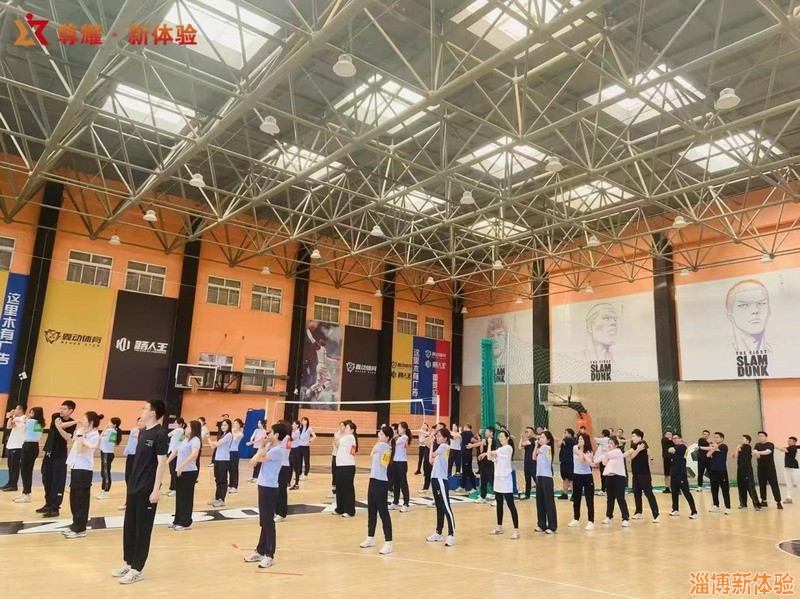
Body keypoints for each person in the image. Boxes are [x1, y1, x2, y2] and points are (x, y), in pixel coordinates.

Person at [111, 399, 169, 585]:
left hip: (147, 489)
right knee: (130, 527)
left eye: (145, 408)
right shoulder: (143, 432)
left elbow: (162, 462)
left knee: (142, 529)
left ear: (153, 412)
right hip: (134, 487)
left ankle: (137, 569)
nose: (142, 411)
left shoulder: (160, 434)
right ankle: (129, 563)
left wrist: (156, 489)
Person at [244, 421, 289, 569]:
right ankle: (260, 550)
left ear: (276, 435)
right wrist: (263, 446)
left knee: (268, 522)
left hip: (270, 488)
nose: (268, 434)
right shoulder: (271, 446)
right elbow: (258, 457)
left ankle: (270, 555)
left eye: (271, 432)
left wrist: (260, 449)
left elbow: (258, 458)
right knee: (264, 521)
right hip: (263, 485)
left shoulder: (278, 450)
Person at [64, 411, 101, 538]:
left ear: (91, 422)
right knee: (74, 498)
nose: (82, 421)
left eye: (84, 419)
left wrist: (81, 437)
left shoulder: (94, 435)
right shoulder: (83, 431)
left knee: (81, 500)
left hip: (84, 469)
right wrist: (80, 435)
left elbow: (80, 449)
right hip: (76, 467)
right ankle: (75, 524)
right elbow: (75, 441)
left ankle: (80, 528)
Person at [38, 400, 77, 518]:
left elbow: (66, 437)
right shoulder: (55, 416)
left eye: (64, 409)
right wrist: (76, 421)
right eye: (61, 408)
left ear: (70, 410)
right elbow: (60, 425)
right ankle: (48, 503)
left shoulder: (72, 424)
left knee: (58, 480)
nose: (61, 410)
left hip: (60, 453)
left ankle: (55, 507)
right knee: (46, 477)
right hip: (49, 451)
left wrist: (72, 423)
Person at [360, 425, 394, 555]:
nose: (378, 435)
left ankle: (388, 542)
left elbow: (373, 453)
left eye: (381, 434)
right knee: (372, 511)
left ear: (387, 437)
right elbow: (371, 454)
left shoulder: (383, 446)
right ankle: (370, 538)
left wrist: (379, 444)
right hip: (373, 480)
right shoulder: (383, 446)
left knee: (383, 512)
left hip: (380, 482)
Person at [484, 429, 519, 539]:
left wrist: (489, 447)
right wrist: (489, 445)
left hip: (506, 479)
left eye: (502, 436)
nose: (500, 438)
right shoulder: (500, 450)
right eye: (499, 437)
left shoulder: (508, 448)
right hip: (498, 479)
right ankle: (499, 527)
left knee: (510, 504)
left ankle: (516, 530)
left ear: (507, 438)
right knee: (499, 503)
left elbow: (491, 453)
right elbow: (489, 457)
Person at [168, 420, 201, 531]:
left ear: (193, 429)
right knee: (179, 497)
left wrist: (182, 465)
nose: (186, 428)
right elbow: (176, 450)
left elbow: (194, 454)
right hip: (179, 471)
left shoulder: (195, 440)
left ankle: (185, 522)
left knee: (186, 497)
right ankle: (177, 520)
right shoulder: (184, 438)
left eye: (188, 427)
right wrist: (166, 462)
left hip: (189, 472)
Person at [426, 427, 455, 546]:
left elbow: (433, 454)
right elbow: (430, 460)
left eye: (439, 436)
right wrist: (432, 443)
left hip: (441, 479)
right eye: (436, 436)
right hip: (435, 479)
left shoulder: (444, 446)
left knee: (446, 507)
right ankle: (438, 532)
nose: (437, 438)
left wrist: (432, 442)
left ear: (445, 438)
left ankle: (451, 534)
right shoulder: (440, 449)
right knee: (439, 506)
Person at [596, 436, 630, 527]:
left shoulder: (617, 452)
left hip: (619, 477)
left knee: (620, 498)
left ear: (616, 445)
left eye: (611, 443)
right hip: (609, 477)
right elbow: (604, 462)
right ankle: (609, 516)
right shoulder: (608, 454)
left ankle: (625, 518)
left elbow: (605, 456)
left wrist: (602, 455)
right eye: (609, 443)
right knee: (610, 498)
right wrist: (593, 461)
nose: (609, 445)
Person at [627, 429, 659, 523]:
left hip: (644, 474)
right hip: (635, 474)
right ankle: (638, 512)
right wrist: (636, 451)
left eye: (634, 436)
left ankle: (656, 514)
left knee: (649, 493)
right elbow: (631, 455)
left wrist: (651, 458)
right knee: (637, 493)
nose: (632, 438)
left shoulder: (642, 443)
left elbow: (647, 451)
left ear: (639, 437)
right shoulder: (634, 445)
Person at [15, 406, 45, 503]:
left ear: (36, 414)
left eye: (32, 412)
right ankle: (25, 492)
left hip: (28, 445)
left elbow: (18, 420)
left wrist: (14, 415)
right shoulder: (40, 423)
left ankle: (26, 494)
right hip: (34, 446)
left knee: (25, 470)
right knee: (27, 470)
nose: (29, 414)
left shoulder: (31, 421)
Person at [667, 433, 698, 519]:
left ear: (681, 439)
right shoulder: (676, 447)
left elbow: (671, 450)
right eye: (673, 438)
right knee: (674, 492)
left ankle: (694, 511)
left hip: (681, 473)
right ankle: (675, 509)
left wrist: (671, 447)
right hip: (673, 473)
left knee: (686, 492)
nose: (674, 440)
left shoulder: (682, 447)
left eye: (676, 438)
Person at [568, 432, 595, 530]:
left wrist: (589, 460)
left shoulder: (590, 452)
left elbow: (583, 460)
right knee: (576, 498)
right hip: (577, 475)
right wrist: (589, 462)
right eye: (579, 439)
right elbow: (581, 459)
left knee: (589, 499)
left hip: (587, 476)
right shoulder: (575, 448)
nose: (579, 441)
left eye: (582, 440)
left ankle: (591, 521)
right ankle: (576, 519)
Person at [534, 430, 557, 534]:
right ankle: (541, 524)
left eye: (543, 437)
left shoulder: (546, 447)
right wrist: (536, 445)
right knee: (540, 501)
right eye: (540, 437)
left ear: (548, 440)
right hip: (539, 477)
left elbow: (536, 453)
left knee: (548, 502)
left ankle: (552, 526)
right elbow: (533, 457)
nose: (540, 439)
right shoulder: (541, 448)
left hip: (547, 478)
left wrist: (537, 445)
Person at [333, 420, 358, 518]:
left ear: (352, 430)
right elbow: (337, 445)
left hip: (347, 466)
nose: (345, 429)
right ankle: (340, 508)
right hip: (340, 465)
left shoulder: (350, 437)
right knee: (339, 488)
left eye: (347, 428)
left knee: (348, 489)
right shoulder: (345, 437)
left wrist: (337, 435)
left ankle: (350, 510)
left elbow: (337, 442)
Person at [753, 431, 782, 509]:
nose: (760, 437)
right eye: (759, 436)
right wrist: (756, 452)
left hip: (770, 468)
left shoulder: (770, 444)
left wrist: (758, 452)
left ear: (766, 437)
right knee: (762, 484)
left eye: (762, 436)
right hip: (761, 468)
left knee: (774, 484)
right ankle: (764, 501)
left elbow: (767, 452)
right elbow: (755, 453)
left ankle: (778, 501)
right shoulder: (757, 445)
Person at [207, 418, 233, 507]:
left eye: (225, 425)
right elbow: (213, 446)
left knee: (223, 480)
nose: (223, 426)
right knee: (217, 479)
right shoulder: (222, 435)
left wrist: (210, 440)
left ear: (229, 426)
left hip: (224, 460)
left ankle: (222, 499)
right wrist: (208, 438)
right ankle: (217, 497)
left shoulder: (229, 435)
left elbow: (216, 444)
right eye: (222, 425)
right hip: (217, 459)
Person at [703, 432, 731, 514]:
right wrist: (712, 448)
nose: (716, 439)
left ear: (722, 438)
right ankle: (716, 505)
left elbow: (714, 449)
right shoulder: (714, 447)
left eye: (717, 437)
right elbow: (708, 455)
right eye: (715, 437)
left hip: (721, 470)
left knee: (725, 489)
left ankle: (728, 507)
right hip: (713, 470)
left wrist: (713, 447)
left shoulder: (724, 446)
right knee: (714, 489)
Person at [119, 419, 143, 511]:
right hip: (131, 457)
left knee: (135, 480)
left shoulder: (146, 433)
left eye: (142, 421)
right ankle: (129, 502)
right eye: (139, 421)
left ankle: (132, 502)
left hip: (139, 457)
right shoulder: (135, 430)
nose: (140, 423)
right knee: (129, 479)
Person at [733, 435, 761, 510]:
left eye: (743, 439)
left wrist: (739, 448)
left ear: (748, 441)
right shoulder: (740, 447)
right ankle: (743, 503)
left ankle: (757, 505)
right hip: (740, 469)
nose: (741, 440)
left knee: (750, 487)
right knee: (741, 486)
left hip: (747, 470)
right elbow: (735, 456)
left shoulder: (747, 447)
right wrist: (737, 448)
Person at [97, 417, 122, 500]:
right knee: (103, 472)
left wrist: (105, 428)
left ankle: (106, 491)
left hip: (107, 453)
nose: (108, 423)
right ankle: (103, 489)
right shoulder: (113, 431)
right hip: (105, 452)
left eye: (110, 422)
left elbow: (100, 437)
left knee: (106, 473)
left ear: (114, 424)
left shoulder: (111, 431)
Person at [2, 405, 26, 493]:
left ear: (20, 410)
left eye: (16, 409)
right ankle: (10, 483)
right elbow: (8, 426)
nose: (15, 410)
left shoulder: (23, 418)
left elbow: (9, 426)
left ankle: (13, 485)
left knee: (14, 467)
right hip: (11, 445)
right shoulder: (16, 418)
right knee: (10, 466)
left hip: (18, 446)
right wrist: (11, 417)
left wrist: (11, 416)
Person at [390, 421, 411, 512]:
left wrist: (393, 436)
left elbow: (393, 443)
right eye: (398, 427)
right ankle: (395, 502)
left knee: (403, 483)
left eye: (399, 427)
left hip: (402, 463)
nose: (398, 429)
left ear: (404, 429)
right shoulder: (398, 437)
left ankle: (406, 503)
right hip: (395, 462)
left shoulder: (404, 437)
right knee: (396, 483)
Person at [275, 421, 292, 522]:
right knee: (277, 490)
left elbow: (284, 451)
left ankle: (282, 513)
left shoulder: (286, 438)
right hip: (279, 465)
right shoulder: (284, 439)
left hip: (284, 466)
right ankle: (277, 510)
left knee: (281, 490)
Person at [475, 427, 496, 504]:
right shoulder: (485, 440)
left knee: (492, 481)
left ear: (491, 432)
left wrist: (472, 445)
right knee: (483, 480)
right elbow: (481, 450)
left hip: (490, 464)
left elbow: (492, 452)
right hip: (484, 463)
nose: (485, 433)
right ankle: (482, 497)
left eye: (487, 431)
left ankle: (497, 498)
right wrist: (481, 443)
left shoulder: (493, 441)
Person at [165, 418, 186, 497]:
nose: (175, 424)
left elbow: (167, 435)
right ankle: (172, 488)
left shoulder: (177, 430)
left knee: (173, 471)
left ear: (180, 424)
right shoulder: (183, 432)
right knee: (173, 471)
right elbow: (180, 441)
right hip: (175, 452)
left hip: (174, 453)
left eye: (176, 423)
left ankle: (175, 489)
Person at [777, 436, 799, 504]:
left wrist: (774, 446)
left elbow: (783, 449)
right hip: (787, 468)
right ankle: (789, 498)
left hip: (794, 469)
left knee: (798, 483)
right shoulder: (789, 448)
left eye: (790, 441)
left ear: (794, 442)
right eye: (788, 440)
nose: (788, 442)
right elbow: (783, 449)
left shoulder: (793, 448)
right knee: (789, 484)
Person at [557, 428, 576, 500]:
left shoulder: (571, 440)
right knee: (565, 478)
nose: (564, 434)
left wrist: (562, 438)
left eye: (565, 433)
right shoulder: (564, 440)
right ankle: (565, 493)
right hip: (563, 461)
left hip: (569, 462)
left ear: (570, 434)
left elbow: (558, 444)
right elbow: (558, 445)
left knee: (571, 478)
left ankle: (574, 494)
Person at [519, 427, 537, 500]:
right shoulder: (528, 441)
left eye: (528, 431)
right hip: (527, 462)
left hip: (533, 462)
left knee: (535, 478)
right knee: (527, 479)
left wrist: (522, 440)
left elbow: (522, 444)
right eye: (525, 432)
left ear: (532, 432)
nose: (526, 433)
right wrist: (521, 438)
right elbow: (520, 447)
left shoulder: (533, 440)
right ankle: (527, 495)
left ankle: (541, 493)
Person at [459, 424, 476, 492]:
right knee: (465, 471)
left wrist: (459, 430)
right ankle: (462, 486)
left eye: (464, 427)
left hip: (467, 455)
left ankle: (474, 487)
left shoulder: (467, 433)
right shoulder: (470, 434)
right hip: (465, 455)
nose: (463, 428)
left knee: (469, 471)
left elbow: (458, 435)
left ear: (467, 427)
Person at [229, 418, 244, 493]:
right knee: (230, 469)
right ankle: (230, 484)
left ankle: (235, 486)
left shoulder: (240, 433)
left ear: (240, 425)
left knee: (234, 469)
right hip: (229, 452)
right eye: (234, 423)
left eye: (236, 423)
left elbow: (235, 437)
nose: (234, 425)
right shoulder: (232, 431)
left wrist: (232, 431)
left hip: (234, 452)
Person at [594, 429, 610, 495]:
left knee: (603, 474)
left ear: (603, 434)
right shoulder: (608, 441)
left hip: (604, 460)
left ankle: (604, 489)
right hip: (608, 459)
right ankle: (606, 488)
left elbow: (595, 439)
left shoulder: (604, 440)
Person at [289, 420, 303, 490]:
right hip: (291, 449)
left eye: (294, 424)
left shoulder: (297, 432)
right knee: (290, 466)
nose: (292, 425)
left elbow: (291, 439)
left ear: (297, 425)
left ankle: (296, 484)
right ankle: (288, 482)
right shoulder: (292, 431)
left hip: (296, 450)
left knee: (296, 467)